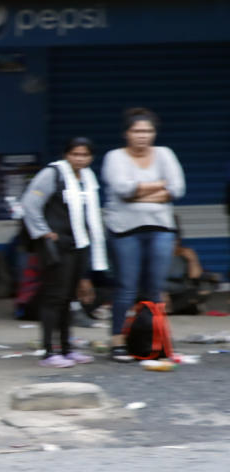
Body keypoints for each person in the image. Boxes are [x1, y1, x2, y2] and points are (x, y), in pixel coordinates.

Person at [102, 107, 185, 362]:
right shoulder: (114, 157)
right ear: (127, 133)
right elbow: (122, 189)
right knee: (126, 288)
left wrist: (139, 192)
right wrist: (161, 186)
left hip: (161, 229)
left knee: (155, 288)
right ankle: (117, 341)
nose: (143, 136)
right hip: (124, 230)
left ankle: (154, 340)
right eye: (137, 131)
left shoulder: (165, 154)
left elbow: (179, 188)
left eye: (148, 131)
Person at [21, 137, 107, 368]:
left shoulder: (88, 179)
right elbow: (30, 204)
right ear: (66, 154)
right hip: (57, 247)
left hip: (78, 244)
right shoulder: (53, 174)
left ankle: (67, 350)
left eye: (85, 155)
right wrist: (44, 232)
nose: (80, 159)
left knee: (70, 300)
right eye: (75, 154)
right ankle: (50, 352)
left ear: (91, 158)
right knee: (54, 298)